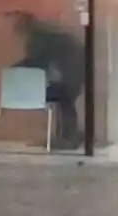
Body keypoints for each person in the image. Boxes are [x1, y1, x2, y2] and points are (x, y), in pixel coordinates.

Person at [11, 10, 85, 150]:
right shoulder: (46, 34)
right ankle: (67, 135)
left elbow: (37, 61)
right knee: (66, 102)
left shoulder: (37, 38)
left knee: (65, 100)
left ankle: (68, 137)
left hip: (71, 67)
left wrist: (15, 69)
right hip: (75, 66)